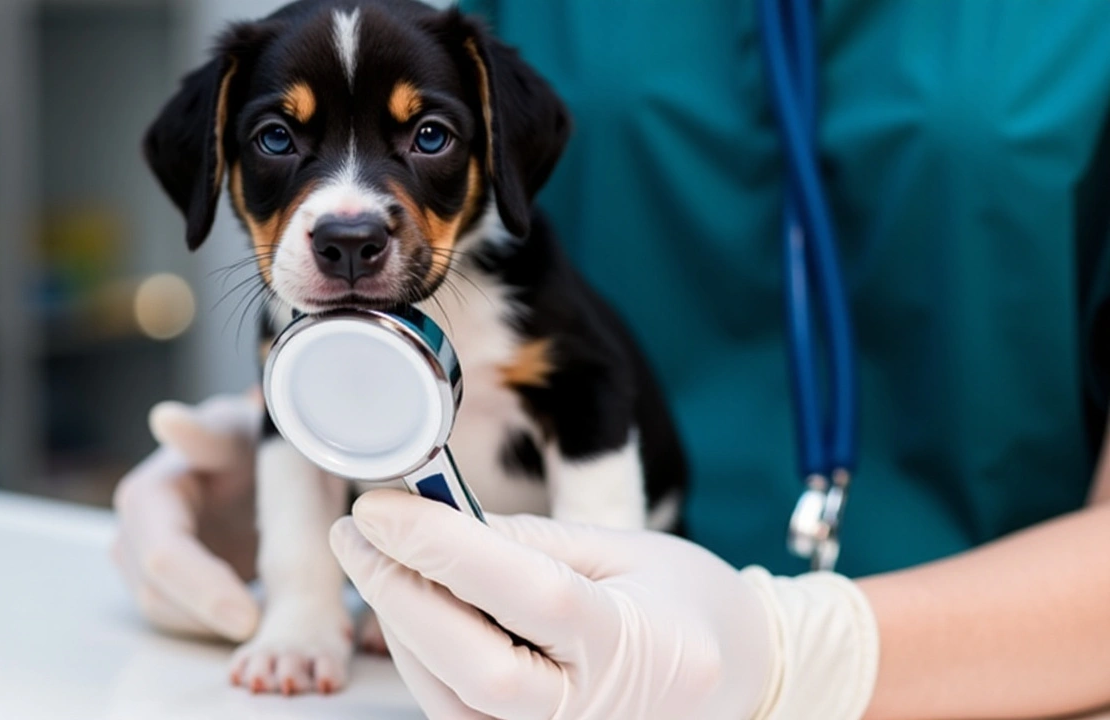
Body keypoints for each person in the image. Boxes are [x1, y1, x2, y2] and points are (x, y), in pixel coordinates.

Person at [113, 2, 1110, 718]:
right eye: (279, 140)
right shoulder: (469, 40)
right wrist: (286, 495)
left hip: (1013, 679)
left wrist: (793, 658)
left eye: (424, 136)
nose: (349, 213)